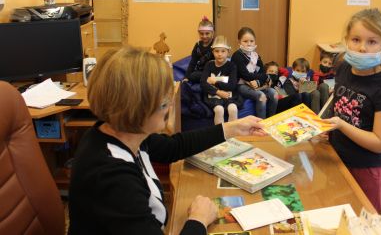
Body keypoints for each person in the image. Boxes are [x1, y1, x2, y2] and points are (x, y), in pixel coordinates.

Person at [68, 46, 265, 235]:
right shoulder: (111, 176)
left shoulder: (125, 132)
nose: (170, 105)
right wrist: (198, 220)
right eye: (164, 101)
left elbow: (173, 147)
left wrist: (231, 128)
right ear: (137, 109)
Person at [324, 8, 381, 213]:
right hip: (338, 160)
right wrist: (327, 129)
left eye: (372, 42)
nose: (362, 48)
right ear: (346, 40)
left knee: (364, 221)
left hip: (368, 169)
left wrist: (341, 125)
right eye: (356, 39)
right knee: (338, 216)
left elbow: (379, 143)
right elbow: (339, 109)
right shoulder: (343, 68)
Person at [231, 27, 278, 118]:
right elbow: (246, 75)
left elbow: (263, 73)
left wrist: (258, 82)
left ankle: (271, 121)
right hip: (241, 85)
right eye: (245, 41)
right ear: (239, 42)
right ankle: (261, 125)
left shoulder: (256, 56)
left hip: (256, 84)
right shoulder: (237, 56)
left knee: (274, 94)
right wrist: (260, 78)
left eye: (251, 41)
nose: (249, 44)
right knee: (261, 96)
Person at [201, 36, 243, 124]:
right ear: (213, 52)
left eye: (223, 51)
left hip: (229, 95)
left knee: (233, 109)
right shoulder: (209, 65)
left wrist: (215, 81)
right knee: (219, 110)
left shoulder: (232, 66)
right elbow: (203, 84)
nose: (219, 54)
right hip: (214, 96)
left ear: (228, 52)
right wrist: (218, 92)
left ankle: (232, 134)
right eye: (217, 51)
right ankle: (220, 135)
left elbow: (232, 85)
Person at [184, 16, 215, 83]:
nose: (204, 36)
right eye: (201, 34)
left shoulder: (215, 45)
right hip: (200, 72)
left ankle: (208, 80)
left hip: (213, 72)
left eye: (207, 33)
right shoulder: (197, 45)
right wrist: (186, 77)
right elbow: (193, 62)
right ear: (198, 33)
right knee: (192, 76)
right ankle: (206, 80)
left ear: (212, 33)